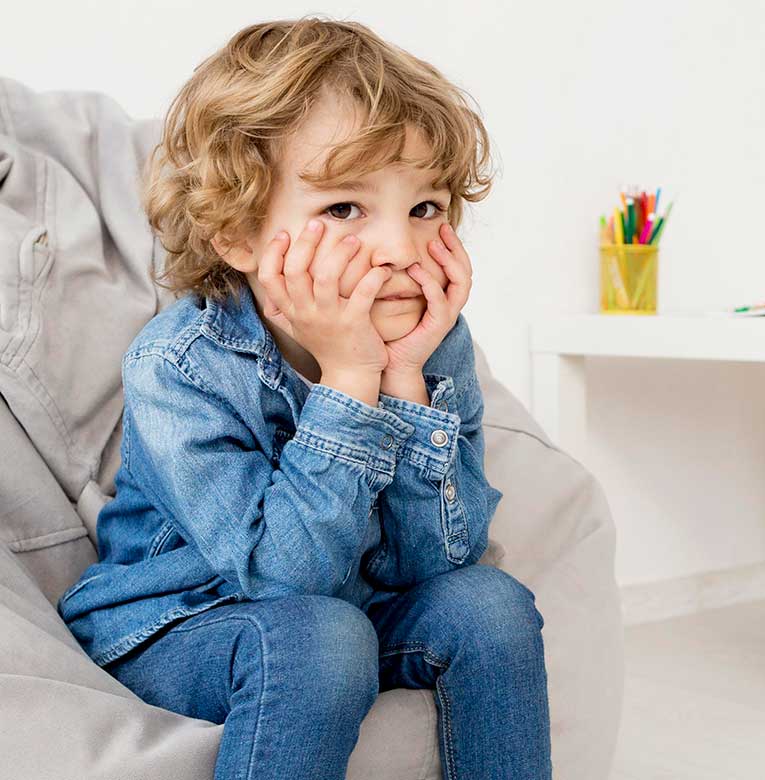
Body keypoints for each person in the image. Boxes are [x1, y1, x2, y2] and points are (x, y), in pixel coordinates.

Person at [56, 16, 552, 780]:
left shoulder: (433, 343)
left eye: (425, 208)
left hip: (343, 613)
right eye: (345, 209)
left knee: (487, 604)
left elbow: (436, 564)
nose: (400, 250)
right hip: (178, 624)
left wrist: (405, 383)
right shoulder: (178, 366)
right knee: (320, 637)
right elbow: (286, 583)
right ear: (239, 234)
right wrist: (351, 385)